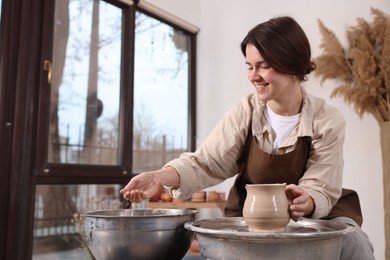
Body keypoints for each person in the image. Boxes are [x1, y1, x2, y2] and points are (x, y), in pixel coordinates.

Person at [120, 16, 375, 259]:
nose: (254, 76)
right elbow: (205, 163)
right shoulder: (246, 111)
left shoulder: (326, 120)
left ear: (292, 66)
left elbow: (320, 186)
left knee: (354, 241)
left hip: (319, 215)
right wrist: (156, 177)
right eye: (250, 66)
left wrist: (306, 201)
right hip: (254, 215)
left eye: (264, 66)